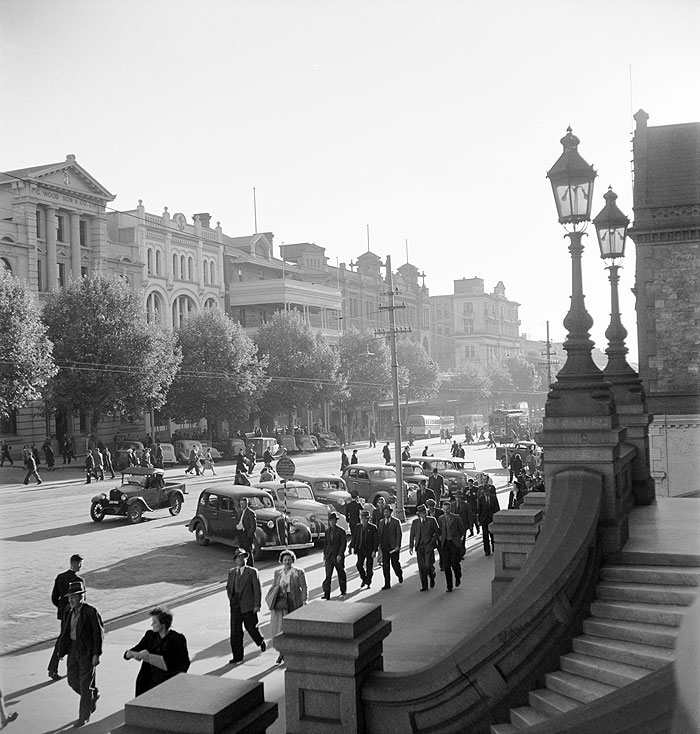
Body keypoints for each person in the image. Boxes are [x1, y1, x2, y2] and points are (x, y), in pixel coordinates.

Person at [55, 580, 104, 728]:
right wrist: (61, 651)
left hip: (86, 652)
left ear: (81, 597)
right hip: (72, 650)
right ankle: (92, 695)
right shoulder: (68, 611)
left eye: (74, 597)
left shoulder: (90, 612)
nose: (71, 600)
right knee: (72, 681)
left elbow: (98, 634)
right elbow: (64, 632)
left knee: (84, 685)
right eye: (69, 597)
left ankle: (84, 716)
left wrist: (96, 654)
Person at [124, 607, 190, 695]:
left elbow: (185, 663)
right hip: (147, 681)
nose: (152, 625)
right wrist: (129, 654)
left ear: (163, 623)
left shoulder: (177, 638)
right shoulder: (150, 635)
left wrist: (175, 678)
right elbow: (134, 650)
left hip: (167, 681)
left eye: (155, 622)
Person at [267, 550, 307, 664]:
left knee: (293, 628)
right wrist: (278, 590)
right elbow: (274, 586)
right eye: (285, 560)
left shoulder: (298, 572)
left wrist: (304, 600)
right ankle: (282, 653)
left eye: (289, 559)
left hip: (294, 602)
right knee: (281, 628)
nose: (287, 562)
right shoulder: (277, 572)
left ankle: (293, 652)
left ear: (292, 560)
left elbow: (304, 587)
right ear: (281, 561)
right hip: (281, 602)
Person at [226, 548, 265, 664]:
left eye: (243, 557)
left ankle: (260, 641)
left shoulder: (252, 572)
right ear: (235, 560)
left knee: (251, 628)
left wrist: (257, 605)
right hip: (235, 606)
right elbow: (229, 587)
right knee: (235, 632)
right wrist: (231, 599)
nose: (241, 559)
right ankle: (237, 656)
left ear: (246, 559)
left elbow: (257, 589)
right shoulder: (232, 572)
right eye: (238, 557)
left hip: (248, 606)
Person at [48, 554, 84, 681]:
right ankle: (74, 667)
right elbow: (81, 601)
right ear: (76, 563)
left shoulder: (60, 577)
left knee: (62, 638)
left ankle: (53, 668)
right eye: (80, 564)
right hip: (75, 614)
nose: (80, 566)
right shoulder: (78, 581)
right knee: (75, 639)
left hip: (64, 614)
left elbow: (54, 597)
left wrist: (62, 608)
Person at [409, 504, 439, 591]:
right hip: (419, 546)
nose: (424, 514)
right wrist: (411, 547)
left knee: (428, 565)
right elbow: (412, 535)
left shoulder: (432, 520)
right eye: (422, 513)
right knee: (421, 567)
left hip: (428, 545)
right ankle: (424, 585)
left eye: (425, 512)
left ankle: (432, 575)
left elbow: (437, 532)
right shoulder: (415, 522)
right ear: (419, 514)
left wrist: (432, 541)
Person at [438, 500, 465, 592]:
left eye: (447, 509)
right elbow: (439, 530)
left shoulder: (456, 518)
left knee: (454, 563)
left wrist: (459, 539)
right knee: (446, 565)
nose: (446, 511)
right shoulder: (441, 519)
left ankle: (458, 576)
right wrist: (440, 538)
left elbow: (462, 529)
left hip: (454, 543)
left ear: (450, 509)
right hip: (445, 543)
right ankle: (449, 586)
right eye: (444, 509)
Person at [322, 512, 347, 599]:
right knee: (328, 575)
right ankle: (327, 593)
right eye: (330, 521)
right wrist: (325, 556)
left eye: (333, 520)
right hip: (329, 556)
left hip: (337, 555)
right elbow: (325, 544)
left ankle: (343, 590)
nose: (331, 522)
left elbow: (343, 544)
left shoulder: (341, 531)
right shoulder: (327, 532)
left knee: (341, 572)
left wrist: (340, 554)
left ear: (336, 521)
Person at [377, 504, 403, 589]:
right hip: (384, 547)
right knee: (385, 566)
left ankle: (399, 574)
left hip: (393, 547)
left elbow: (399, 534)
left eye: (387, 512)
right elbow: (379, 534)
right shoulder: (381, 522)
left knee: (395, 563)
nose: (386, 513)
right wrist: (378, 546)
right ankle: (387, 583)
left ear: (391, 512)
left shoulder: (396, 522)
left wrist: (398, 546)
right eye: (384, 512)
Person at [353, 510, 379, 589]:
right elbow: (355, 538)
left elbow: (376, 540)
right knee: (359, 565)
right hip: (360, 549)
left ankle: (368, 581)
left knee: (369, 567)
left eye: (365, 519)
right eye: (362, 519)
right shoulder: (358, 527)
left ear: (368, 519)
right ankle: (364, 578)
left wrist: (374, 550)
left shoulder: (373, 528)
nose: (364, 521)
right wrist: (351, 546)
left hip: (369, 550)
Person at [477, 484, 501, 556]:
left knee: (492, 535)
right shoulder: (481, 499)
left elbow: (497, 508)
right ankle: (487, 550)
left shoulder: (493, 498)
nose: (486, 493)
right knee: (485, 536)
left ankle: (494, 548)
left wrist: (497, 518)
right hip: (484, 520)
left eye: (487, 491)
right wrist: (479, 520)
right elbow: (479, 510)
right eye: (485, 492)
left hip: (492, 519)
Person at [235, 497, 257, 565]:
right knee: (241, 551)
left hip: (246, 534)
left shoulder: (250, 513)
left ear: (247, 504)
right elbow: (239, 521)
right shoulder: (241, 512)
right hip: (240, 533)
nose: (241, 505)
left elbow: (253, 526)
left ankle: (250, 566)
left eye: (243, 504)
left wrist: (249, 535)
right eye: (241, 504)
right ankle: (243, 564)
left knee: (248, 551)